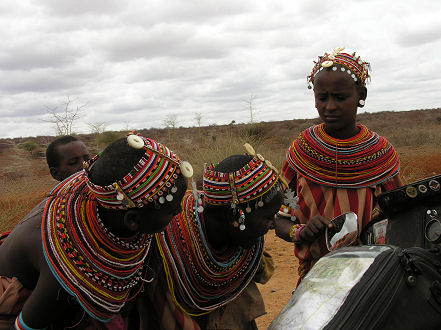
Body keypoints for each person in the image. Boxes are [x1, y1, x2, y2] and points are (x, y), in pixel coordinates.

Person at [0, 134, 191, 329]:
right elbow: (26, 325)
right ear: (132, 220)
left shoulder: (100, 194)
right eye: (171, 209)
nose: (179, 211)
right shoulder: (66, 262)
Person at [275, 47, 403, 284]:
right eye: (322, 98)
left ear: (361, 95)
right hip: (314, 278)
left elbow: (400, 219)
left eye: (340, 97)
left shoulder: (380, 155)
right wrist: (303, 231)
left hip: (370, 277)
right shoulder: (302, 152)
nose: (330, 106)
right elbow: (281, 218)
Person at [138, 144, 284, 329]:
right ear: (234, 216)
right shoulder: (163, 248)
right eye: (268, 217)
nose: (273, 224)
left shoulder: (244, 244)